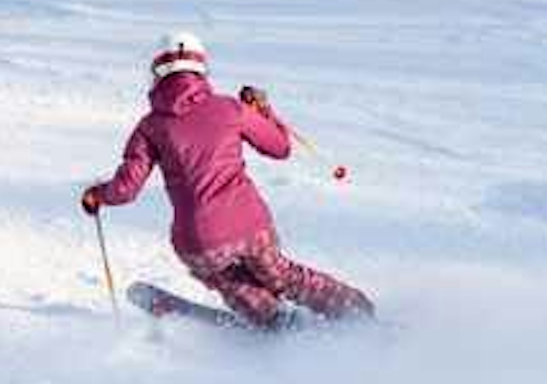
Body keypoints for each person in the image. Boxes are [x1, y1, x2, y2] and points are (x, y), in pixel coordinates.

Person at [81, 33, 372, 327]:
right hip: (251, 225)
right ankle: (354, 309)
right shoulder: (230, 108)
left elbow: (125, 189)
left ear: (156, 74)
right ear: (201, 69)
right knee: (284, 275)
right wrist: (262, 112)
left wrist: (97, 195)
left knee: (232, 281)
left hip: (200, 240)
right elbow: (280, 148)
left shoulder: (150, 127)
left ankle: (276, 321)